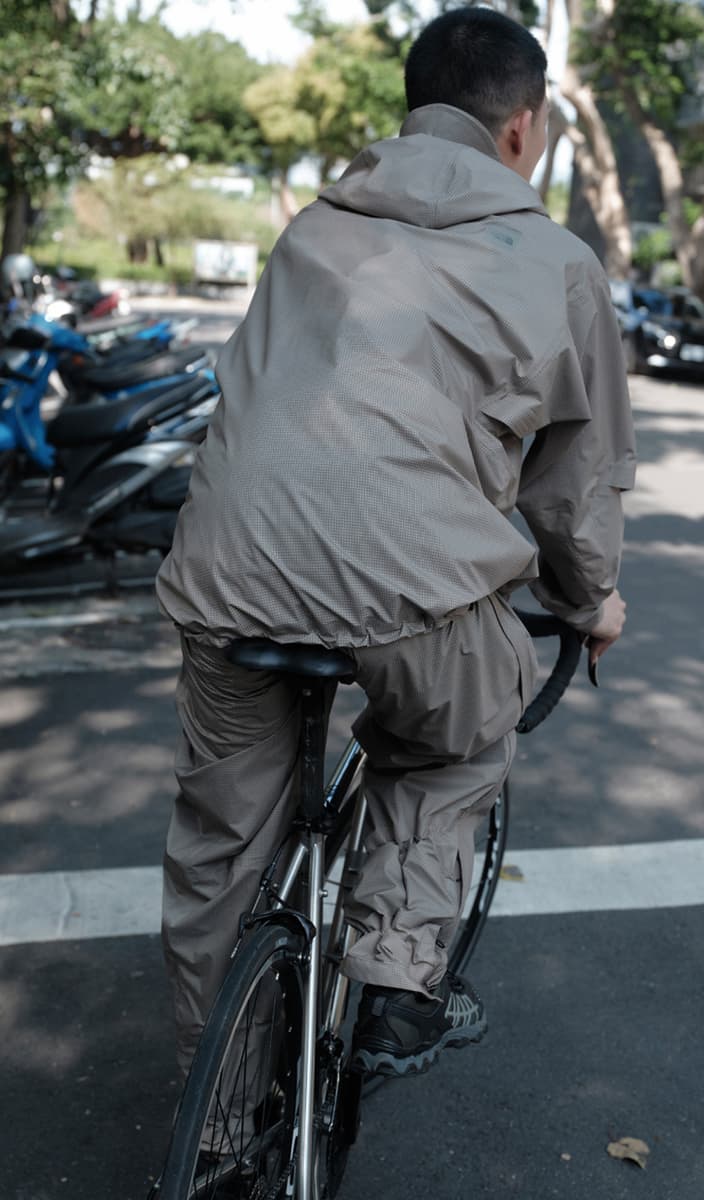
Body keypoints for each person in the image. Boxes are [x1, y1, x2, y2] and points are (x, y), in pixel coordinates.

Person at [155, 5, 635, 1086]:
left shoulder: (312, 228)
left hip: (225, 575)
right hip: (410, 599)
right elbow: (575, 482)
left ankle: (223, 1122)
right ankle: (392, 974)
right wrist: (589, 599)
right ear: (522, 126)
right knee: (457, 738)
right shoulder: (557, 264)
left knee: (222, 854)